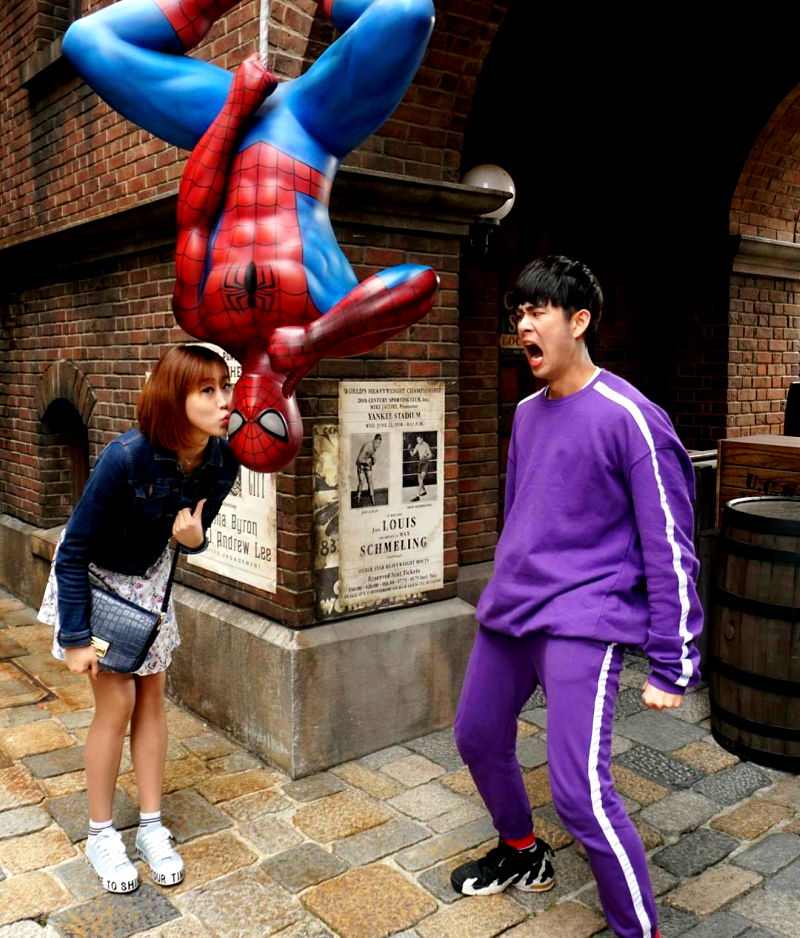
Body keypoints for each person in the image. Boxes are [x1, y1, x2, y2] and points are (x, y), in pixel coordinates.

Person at [62, 0, 438, 473]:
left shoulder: (198, 317)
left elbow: (193, 216)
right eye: (272, 425)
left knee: (87, 42)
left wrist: (236, 109)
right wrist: (315, 337)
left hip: (229, 123)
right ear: (292, 417)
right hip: (311, 127)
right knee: (406, 11)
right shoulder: (336, 324)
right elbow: (420, 282)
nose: (252, 411)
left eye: (239, 424)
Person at [451, 256, 702, 938]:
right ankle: (521, 851)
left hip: (583, 621)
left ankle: (638, 930)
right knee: (476, 736)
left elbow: (670, 544)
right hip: (512, 611)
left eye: (538, 312)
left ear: (580, 320)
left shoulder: (632, 418)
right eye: (518, 315)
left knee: (580, 794)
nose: (523, 326)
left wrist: (673, 660)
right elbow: (522, 512)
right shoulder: (526, 414)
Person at [38, 345, 238, 894]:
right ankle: (101, 834)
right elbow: (73, 550)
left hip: (151, 583)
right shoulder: (126, 457)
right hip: (98, 582)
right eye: (207, 390)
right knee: (117, 703)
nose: (224, 401)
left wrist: (195, 541)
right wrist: (76, 637)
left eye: (226, 386)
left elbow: (195, 534)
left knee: (152, 697)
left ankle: (151, 825)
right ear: (175, 397)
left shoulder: (223, 461)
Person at [355, 433, 382, 506]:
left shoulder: (375, 447)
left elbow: (371, 454)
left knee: (370, 480)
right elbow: (358, 460)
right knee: (361, 482)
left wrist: (374, 459)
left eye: (379, 443)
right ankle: (358, 496)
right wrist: (365, 461)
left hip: (367, 463)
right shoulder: (367, 445)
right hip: (360, 464)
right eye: (377, 443)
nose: (378, 445)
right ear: (373, 441)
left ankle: (372, 497)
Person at [408, 433, 432, 501]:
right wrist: (409, 449)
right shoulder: (417, 445)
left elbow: (430, 455)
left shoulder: (426, 445)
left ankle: (417, 496)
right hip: (420, 463)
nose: (418, 441)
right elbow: (412, 454)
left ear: (422, 439)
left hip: (425, 463)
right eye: (417, 440)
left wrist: (426, 457)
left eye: (419, 439)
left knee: (421, 479)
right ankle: (424, 491)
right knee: (419, 480)